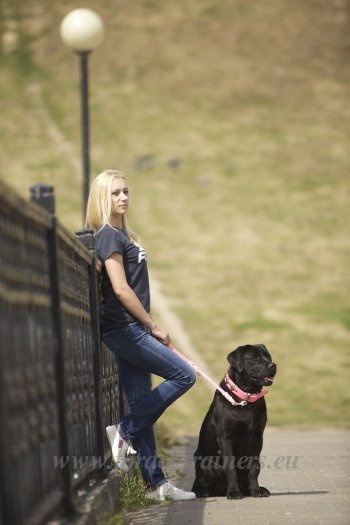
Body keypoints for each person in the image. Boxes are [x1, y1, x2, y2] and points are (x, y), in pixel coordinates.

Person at [85, 169, 196, 501]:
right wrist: (153, 326)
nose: (123, 197)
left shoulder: (123, 234)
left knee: (139, 402)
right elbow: (120, 290)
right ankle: (124, 432)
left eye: (126, 191)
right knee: (184, 375)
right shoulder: (108, 235)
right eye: (115, 193)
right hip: (124, 327)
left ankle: (155, 484)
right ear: (103, 198)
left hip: (128, 327)